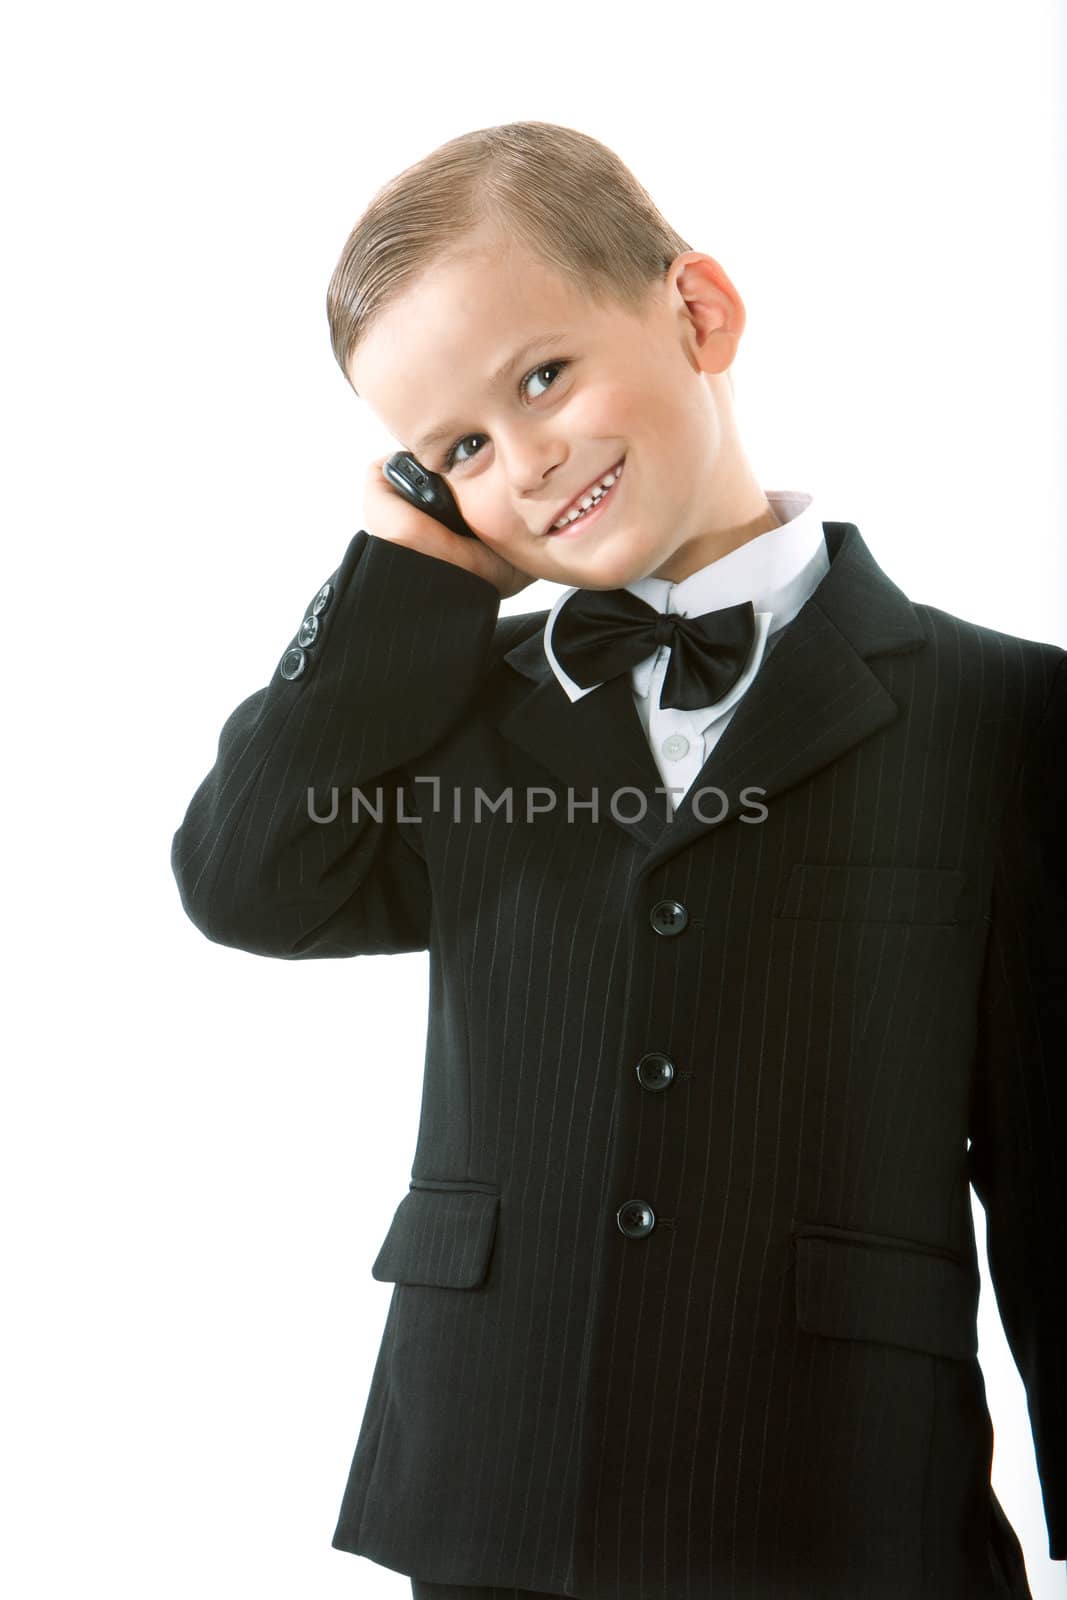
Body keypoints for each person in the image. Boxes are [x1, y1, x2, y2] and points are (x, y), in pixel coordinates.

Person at [171, 120, 1065, 1599]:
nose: (524, 461)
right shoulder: (459, 721)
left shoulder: (1003, 717)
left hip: (836, 1500)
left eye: (542, 377)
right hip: (496, 1490)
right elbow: (249, 881)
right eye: (458, 448)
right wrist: (397, 577)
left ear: (699, 312)